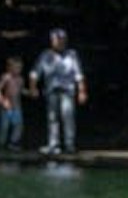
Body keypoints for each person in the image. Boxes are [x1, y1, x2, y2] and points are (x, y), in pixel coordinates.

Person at [26, 28, 87, 156]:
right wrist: (33, 88)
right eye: (56, 40)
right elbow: (35, 73)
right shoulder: (45, 55)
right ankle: (53, 145)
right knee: (52, 118)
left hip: (67, 90)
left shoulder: (72, 54)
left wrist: (82, 91)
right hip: (51, 90)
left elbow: (79, 74)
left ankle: (69, 145)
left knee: (68, 116)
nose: (59, 42)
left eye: (62, 39)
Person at [0, 56, 25, 151]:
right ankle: (1, 143)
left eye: (19, 68)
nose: (18, 70)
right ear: (9, 68)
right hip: (7, 105)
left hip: (17, 106)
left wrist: (29, 92)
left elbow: (20, 90)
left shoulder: (20, 79)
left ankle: (13, 142)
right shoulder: (6, 77)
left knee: (18, 125)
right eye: (16, 67)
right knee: (5, 126)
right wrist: (1, 100)